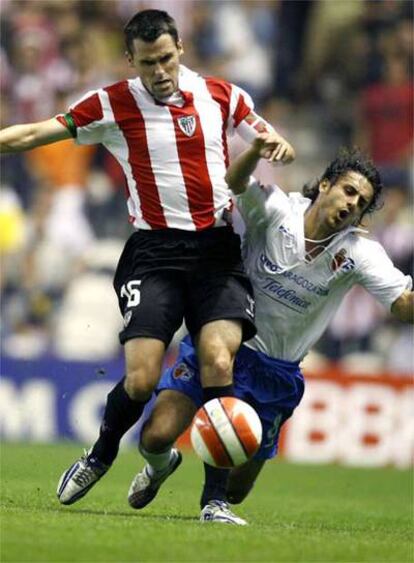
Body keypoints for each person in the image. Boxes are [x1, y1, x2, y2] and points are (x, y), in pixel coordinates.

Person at [0, 10, 295, 506]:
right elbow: (32, 133)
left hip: (217, 250)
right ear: (129, 61)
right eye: (146, 63)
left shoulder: (223, 95)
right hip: (154, 252)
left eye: (165, 59)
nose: (159, 72)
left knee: (218, 359)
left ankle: (214, 502)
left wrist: (278, 144)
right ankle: (101, 454)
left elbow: (263, 134)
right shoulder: (112, 103)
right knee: (140, 379)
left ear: (180, 46)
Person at [127, 135, 413, 525]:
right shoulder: (278, 209)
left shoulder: (360, 253)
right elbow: (234, 182)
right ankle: (161, 467)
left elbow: (402, 304)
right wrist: (255, 152)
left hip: (275, 373)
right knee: (155, 437)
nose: (351, 204)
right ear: (325, 184)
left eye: (360, 203)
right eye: (348, 191)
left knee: (236, 490)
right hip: (223, 340)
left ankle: (219, 500)